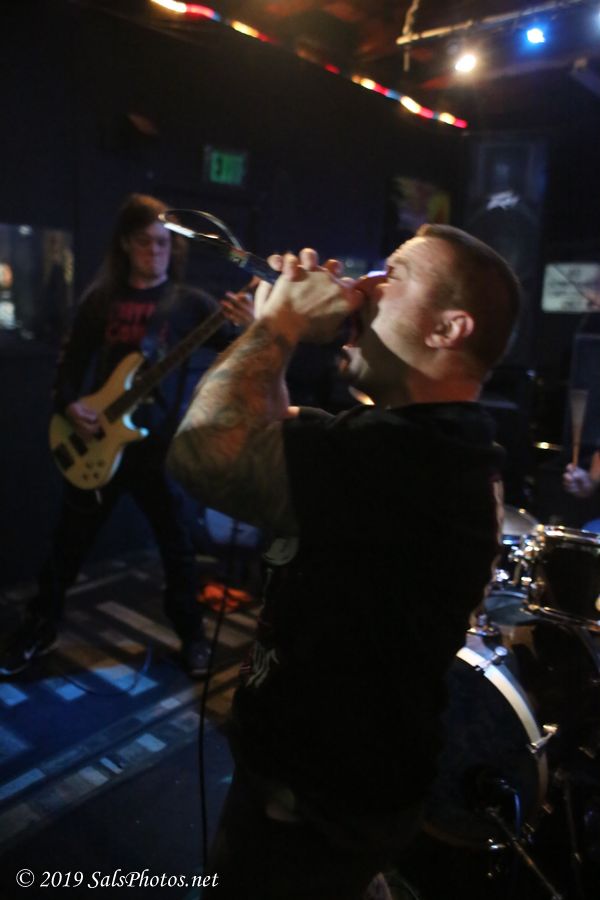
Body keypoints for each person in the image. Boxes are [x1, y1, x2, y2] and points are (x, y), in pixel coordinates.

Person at [167, 224, 520, 898]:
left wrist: (278, 328)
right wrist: (275, 328)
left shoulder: (411, 463)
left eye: (394, 274)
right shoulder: (427, 443)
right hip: (344, 795)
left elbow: (204, 450)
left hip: (312, 810)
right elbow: (272, 432)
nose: (363, 284)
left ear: (448, 328)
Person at [0, 193, 238, 678]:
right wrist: (71, 406)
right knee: (67, 545)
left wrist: (251, 326)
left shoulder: (190, 303)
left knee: (177, 547)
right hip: (99, 441)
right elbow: (68, 371)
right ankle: (39, 628)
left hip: (157, 449)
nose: (156, 251)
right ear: (127, 243)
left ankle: (193, 638)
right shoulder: (101, 300)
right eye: (146, 242)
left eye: (164, 243)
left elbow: (238, 353)